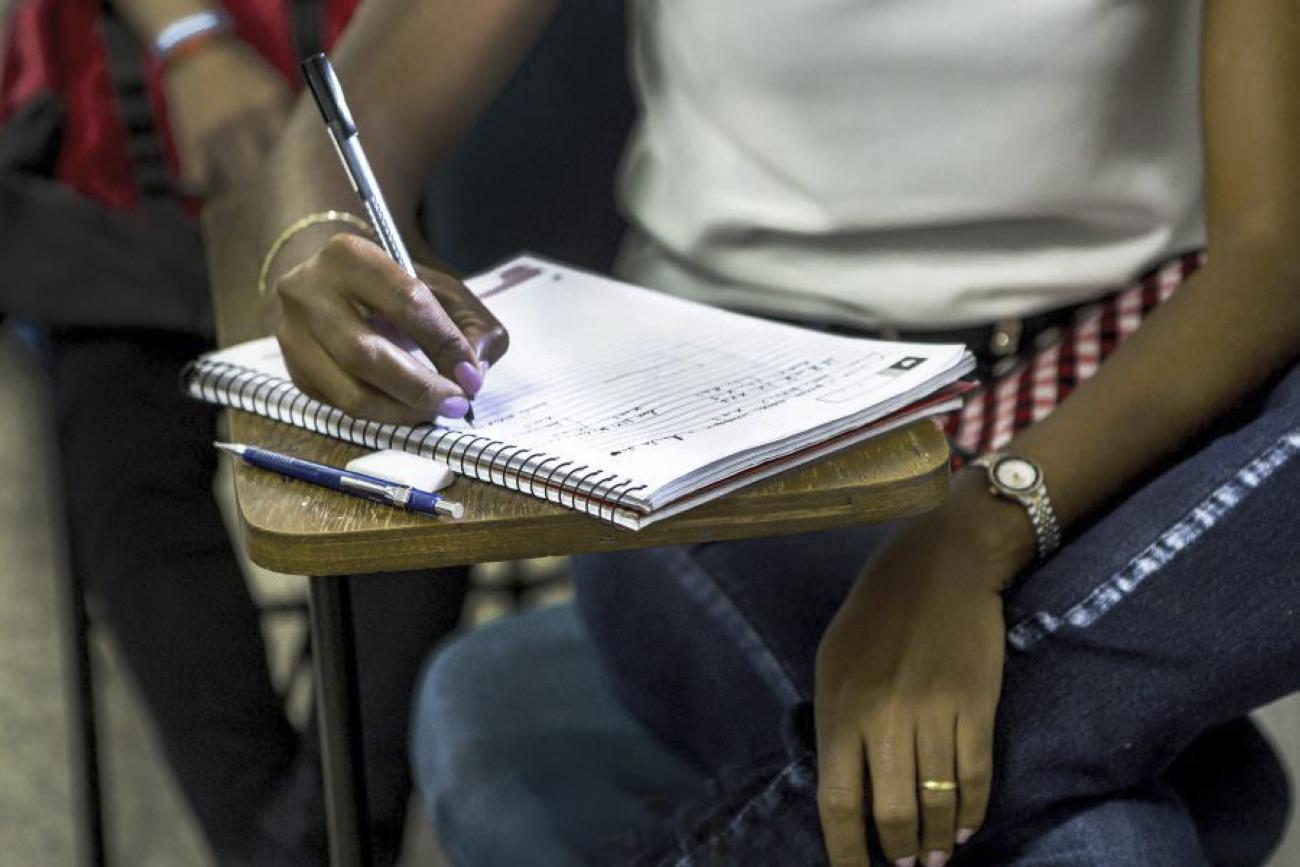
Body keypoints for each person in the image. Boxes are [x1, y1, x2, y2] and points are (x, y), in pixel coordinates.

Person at [234, 0, 1300, 864]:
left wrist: (975, 532)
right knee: (1112, 843)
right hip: (735, 420)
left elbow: (1270, 255)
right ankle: (1137, 728)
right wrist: (316, 241)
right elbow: (350, 121)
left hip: (1125, 390)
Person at [0, 1, 469, 863]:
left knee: (414, 484)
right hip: (121, 205)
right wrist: (187, 38)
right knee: (130, 484)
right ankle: (303, 846)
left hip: (367, 175)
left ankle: (305, 843)